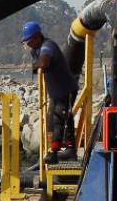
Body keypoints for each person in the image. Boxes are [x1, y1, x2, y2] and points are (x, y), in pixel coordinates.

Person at [21, 20, 78, 164]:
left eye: (29, 41)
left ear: (37, 36)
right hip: (55, 93)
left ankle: (60, 152)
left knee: (60, 117)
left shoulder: (48, 46)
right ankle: (59, 150)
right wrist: (35, 63)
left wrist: (36, 65)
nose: (28, 44)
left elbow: (44, 63)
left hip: (66, 90)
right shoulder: (36, 50)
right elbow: (37, 63)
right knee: (52, 121)